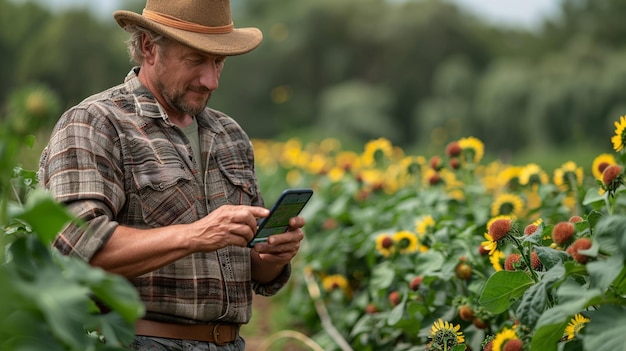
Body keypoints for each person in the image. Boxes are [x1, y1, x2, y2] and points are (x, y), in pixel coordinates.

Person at [38, 0, 305, 350]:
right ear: (149, 47)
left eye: (218, 62)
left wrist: (271, 255)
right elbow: (77, 248)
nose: (210, 80)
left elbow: (254, 270)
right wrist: (196, 234)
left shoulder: (229, 135)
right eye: (195, 60)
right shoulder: (96, 123)